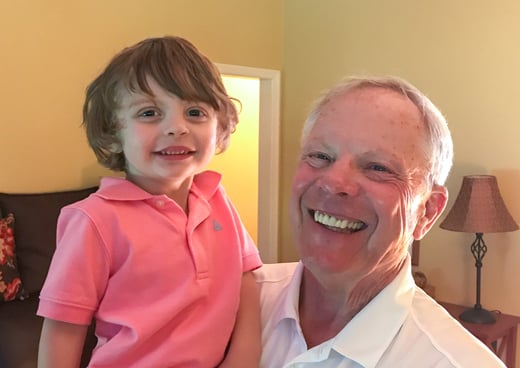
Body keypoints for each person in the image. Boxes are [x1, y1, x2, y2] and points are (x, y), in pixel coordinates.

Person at [37, 36, 262, 368]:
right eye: (149, 112)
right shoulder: (94, 220)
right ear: (115, 133)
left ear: (222, 125)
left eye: (195, 112)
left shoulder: (218, 201)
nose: (176, 127)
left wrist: (243, 357)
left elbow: (247, 282)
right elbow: (62, 331)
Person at [254, 76, 506, 367]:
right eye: (320, 156)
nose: (334, 182)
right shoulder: (231, 300)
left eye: (377, 167)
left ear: (427, 212)